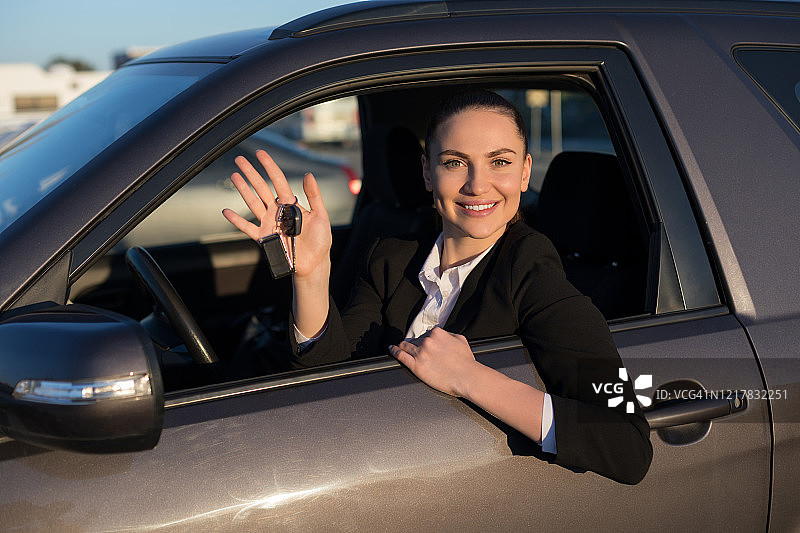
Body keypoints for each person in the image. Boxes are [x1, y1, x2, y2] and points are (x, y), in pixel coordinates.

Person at [222, 90, 652, 484]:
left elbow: (627, 446)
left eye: (499, 162)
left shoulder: (533, 272)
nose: (477, 184)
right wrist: (311, 276)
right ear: (428, 173)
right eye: (454, 162)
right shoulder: (391, 256)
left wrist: (471, 378)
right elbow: (330, 373)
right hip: (360, 469)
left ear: (524, 173)